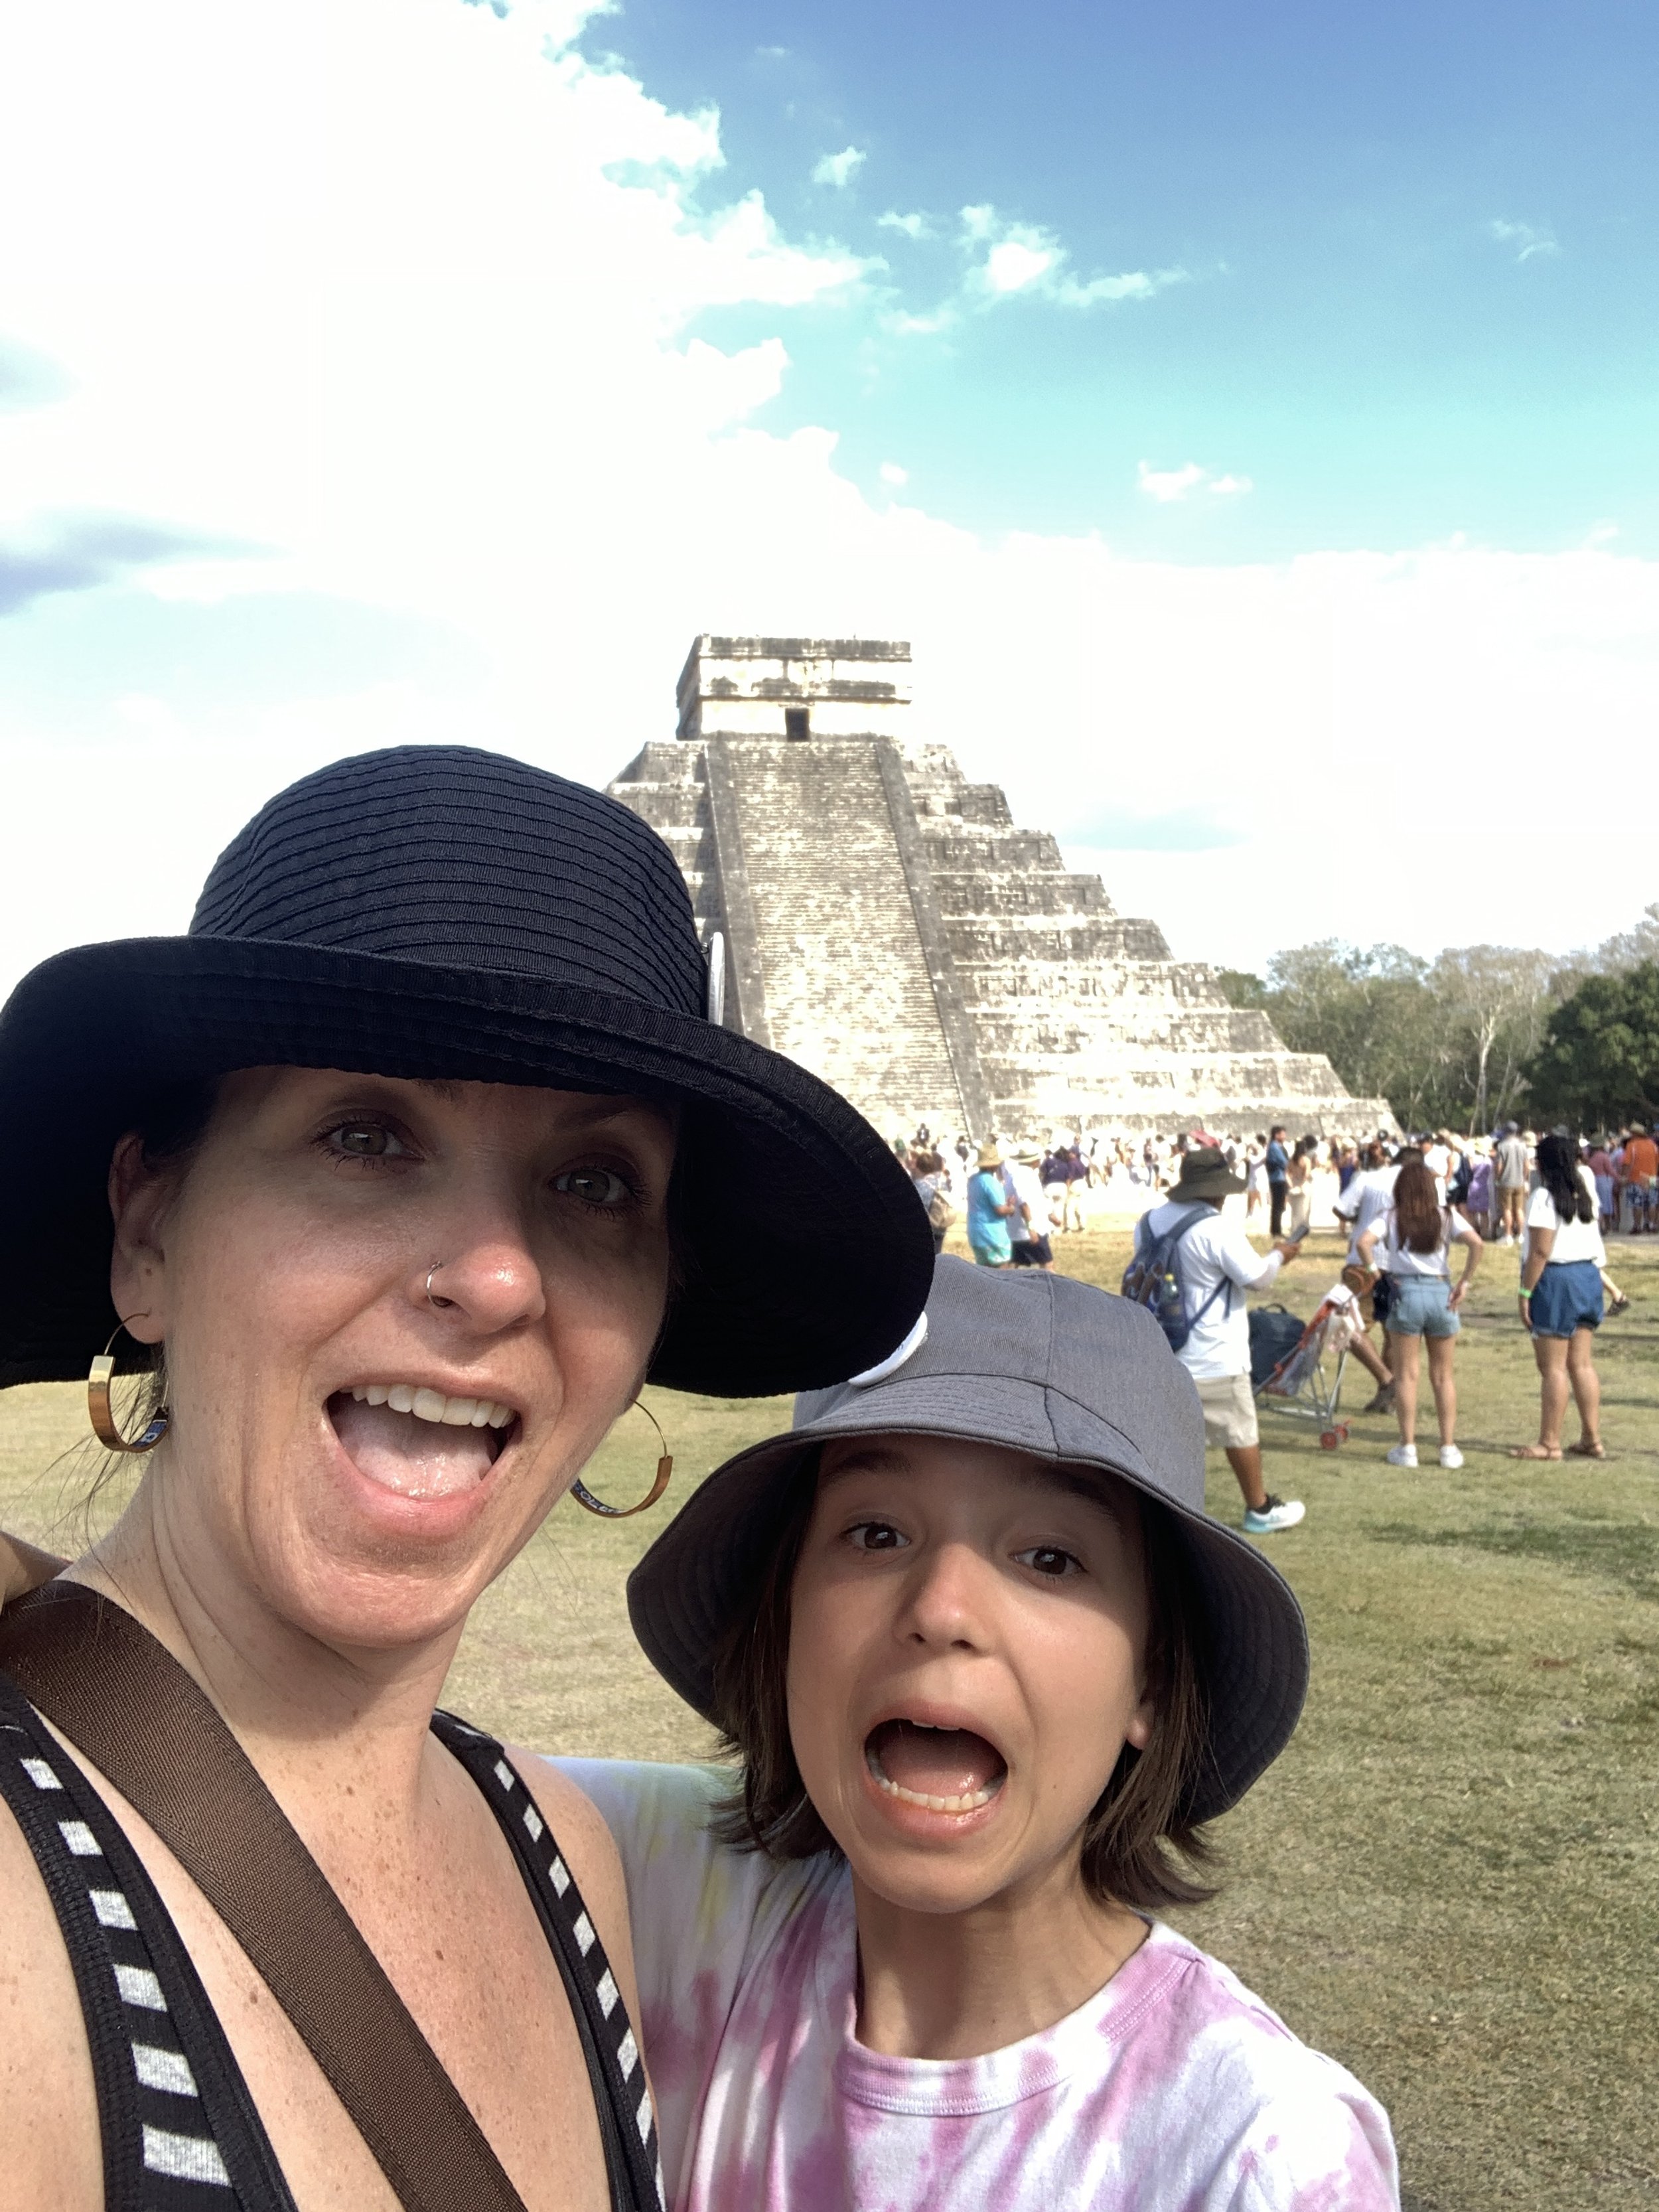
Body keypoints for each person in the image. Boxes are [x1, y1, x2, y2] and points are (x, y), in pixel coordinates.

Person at [0, 745, 934, 2211]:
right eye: (365, 1136)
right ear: (148, 1231)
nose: (499, 1274)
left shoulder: (560, 1857)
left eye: (592, 1182)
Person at [559, 1258, 1400, 2210]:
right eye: (875, 1533)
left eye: (1050, 1556)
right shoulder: (665, 1893)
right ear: (783, 1613)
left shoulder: (1251, 2156)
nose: (943, 1607)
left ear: (1153, 1677)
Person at [1135, 1147, 1307, 1534]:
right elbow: (1258, 1278)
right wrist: (1280, 1255)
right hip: (1214, 1351)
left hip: (1163, 1348)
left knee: (1168, 1440)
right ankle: (1259, 1507)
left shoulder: (1148, 1223)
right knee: (1240, 1432)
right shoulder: (1215, 1227)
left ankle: (1164, 1512)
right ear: (1218, 1191)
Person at [1356, 1157, 1482, 1469]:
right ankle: (1448, 1447)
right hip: (1441, 1292)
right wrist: (1465, 1281)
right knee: (1443, 1376)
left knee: (1407, 1375)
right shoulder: (1446, 1216)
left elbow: (1364, 1242)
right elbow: (1477, 1244)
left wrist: (1374, 1272)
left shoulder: (1391, 1216)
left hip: (1405, 1293)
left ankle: (1408, 1446)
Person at [1512, 1132, 1607, 1461]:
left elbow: (1540, 1251)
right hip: (1587, 1276)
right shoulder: (1586, 1191)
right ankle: (1592, 1438)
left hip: (1556, 1280)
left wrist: (1525, 1292)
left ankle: (1550, 1443)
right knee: (1581, 1364)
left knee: (1552, 1368)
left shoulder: (1543, 1197)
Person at [966, 1141, 1017, 1268]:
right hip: (992, 1234)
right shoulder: (992, 1182)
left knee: (984, 1274)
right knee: (1001, 1272)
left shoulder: (973, 1180)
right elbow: (1000, 1210)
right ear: (992, 1166)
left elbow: (982, 1203)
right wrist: (1011, 1209)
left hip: (976, 1232)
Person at [1006, 1149, 1056, 1270]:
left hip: (1016, 1229)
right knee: (1047, 1264)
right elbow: (1024, 1204)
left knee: (1014, 1264)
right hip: (1030, 1229)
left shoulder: (1013, 1175)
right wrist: (1031, 1228)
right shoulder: (1025, 1176)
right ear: (1035, 1160)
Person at [909, 1148, 954, 1256]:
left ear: (919, 1166)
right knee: (937, 1255)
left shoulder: (917, 1186)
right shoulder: (941, 1184)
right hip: (941, 1225)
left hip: (924, 1228)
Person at [1618, 1121, 1658, 1235]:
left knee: (1637, 1204)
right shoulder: (1653, 1145)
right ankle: (1652, 1225)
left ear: (1635, 1134)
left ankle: (1637, 1226)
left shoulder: (1632, 1145)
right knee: (1652, 1203)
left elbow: (1627, 1163)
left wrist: (1624, 1177)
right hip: (1652, 1178)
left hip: (1636, 1179)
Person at [1494, 1120, 1530, 1245]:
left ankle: (1508, 1235)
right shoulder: (1523, 1146)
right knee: (1519, 1209)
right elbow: (1527, 1165)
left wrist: (1497, 1179)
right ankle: (1521, 1234)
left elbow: (1499, 1166)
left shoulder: (1502, 1146)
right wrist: (1524, 1179)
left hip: (1506, 1182)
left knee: (1507, 1209)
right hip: (1519, 1181)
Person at [1264, 1126, 1291, 1238]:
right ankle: (1276, 1231)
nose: (1284, 1136)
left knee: (1278, 1205)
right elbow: (1284, 1162)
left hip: (1277, 1178)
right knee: (1278, 1206)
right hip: (1278, 1178)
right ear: (1277, 1135)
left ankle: (1276, 1230)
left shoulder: (1275, 1146)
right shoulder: (1275, 1147)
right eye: (1282, 1134)